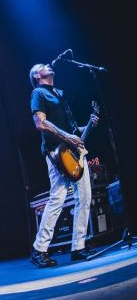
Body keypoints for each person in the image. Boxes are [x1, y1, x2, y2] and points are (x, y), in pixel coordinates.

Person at [29, 63, 98, 267]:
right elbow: (40, 123)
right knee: (57, 198)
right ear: (37, 75)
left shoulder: (58, 93)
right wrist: (68, 136)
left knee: (84, 197)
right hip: (57, 152)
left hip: (75, 151)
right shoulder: (38, 93)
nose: (47, 65)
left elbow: (72, 129)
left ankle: (79, 247)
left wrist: (88, 125)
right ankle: (39, 249)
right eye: (42, 66)